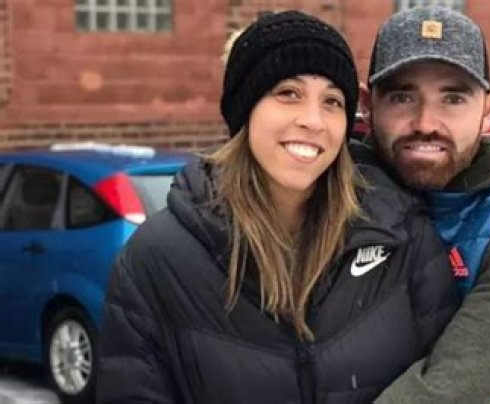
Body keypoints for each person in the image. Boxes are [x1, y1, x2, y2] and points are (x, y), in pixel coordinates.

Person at [97, 11, 458, 404]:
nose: (313, 121)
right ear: (245, 109)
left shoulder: (401, 235)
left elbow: (447, 380)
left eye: (332, 101)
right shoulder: (157, 256)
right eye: (288, 93)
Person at [356, 6, 490, 404]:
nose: (426, 122)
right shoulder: (337, 201)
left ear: (488, 110)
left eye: (453, 98)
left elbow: (448, 391)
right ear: (368, 105)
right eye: (402, 96)